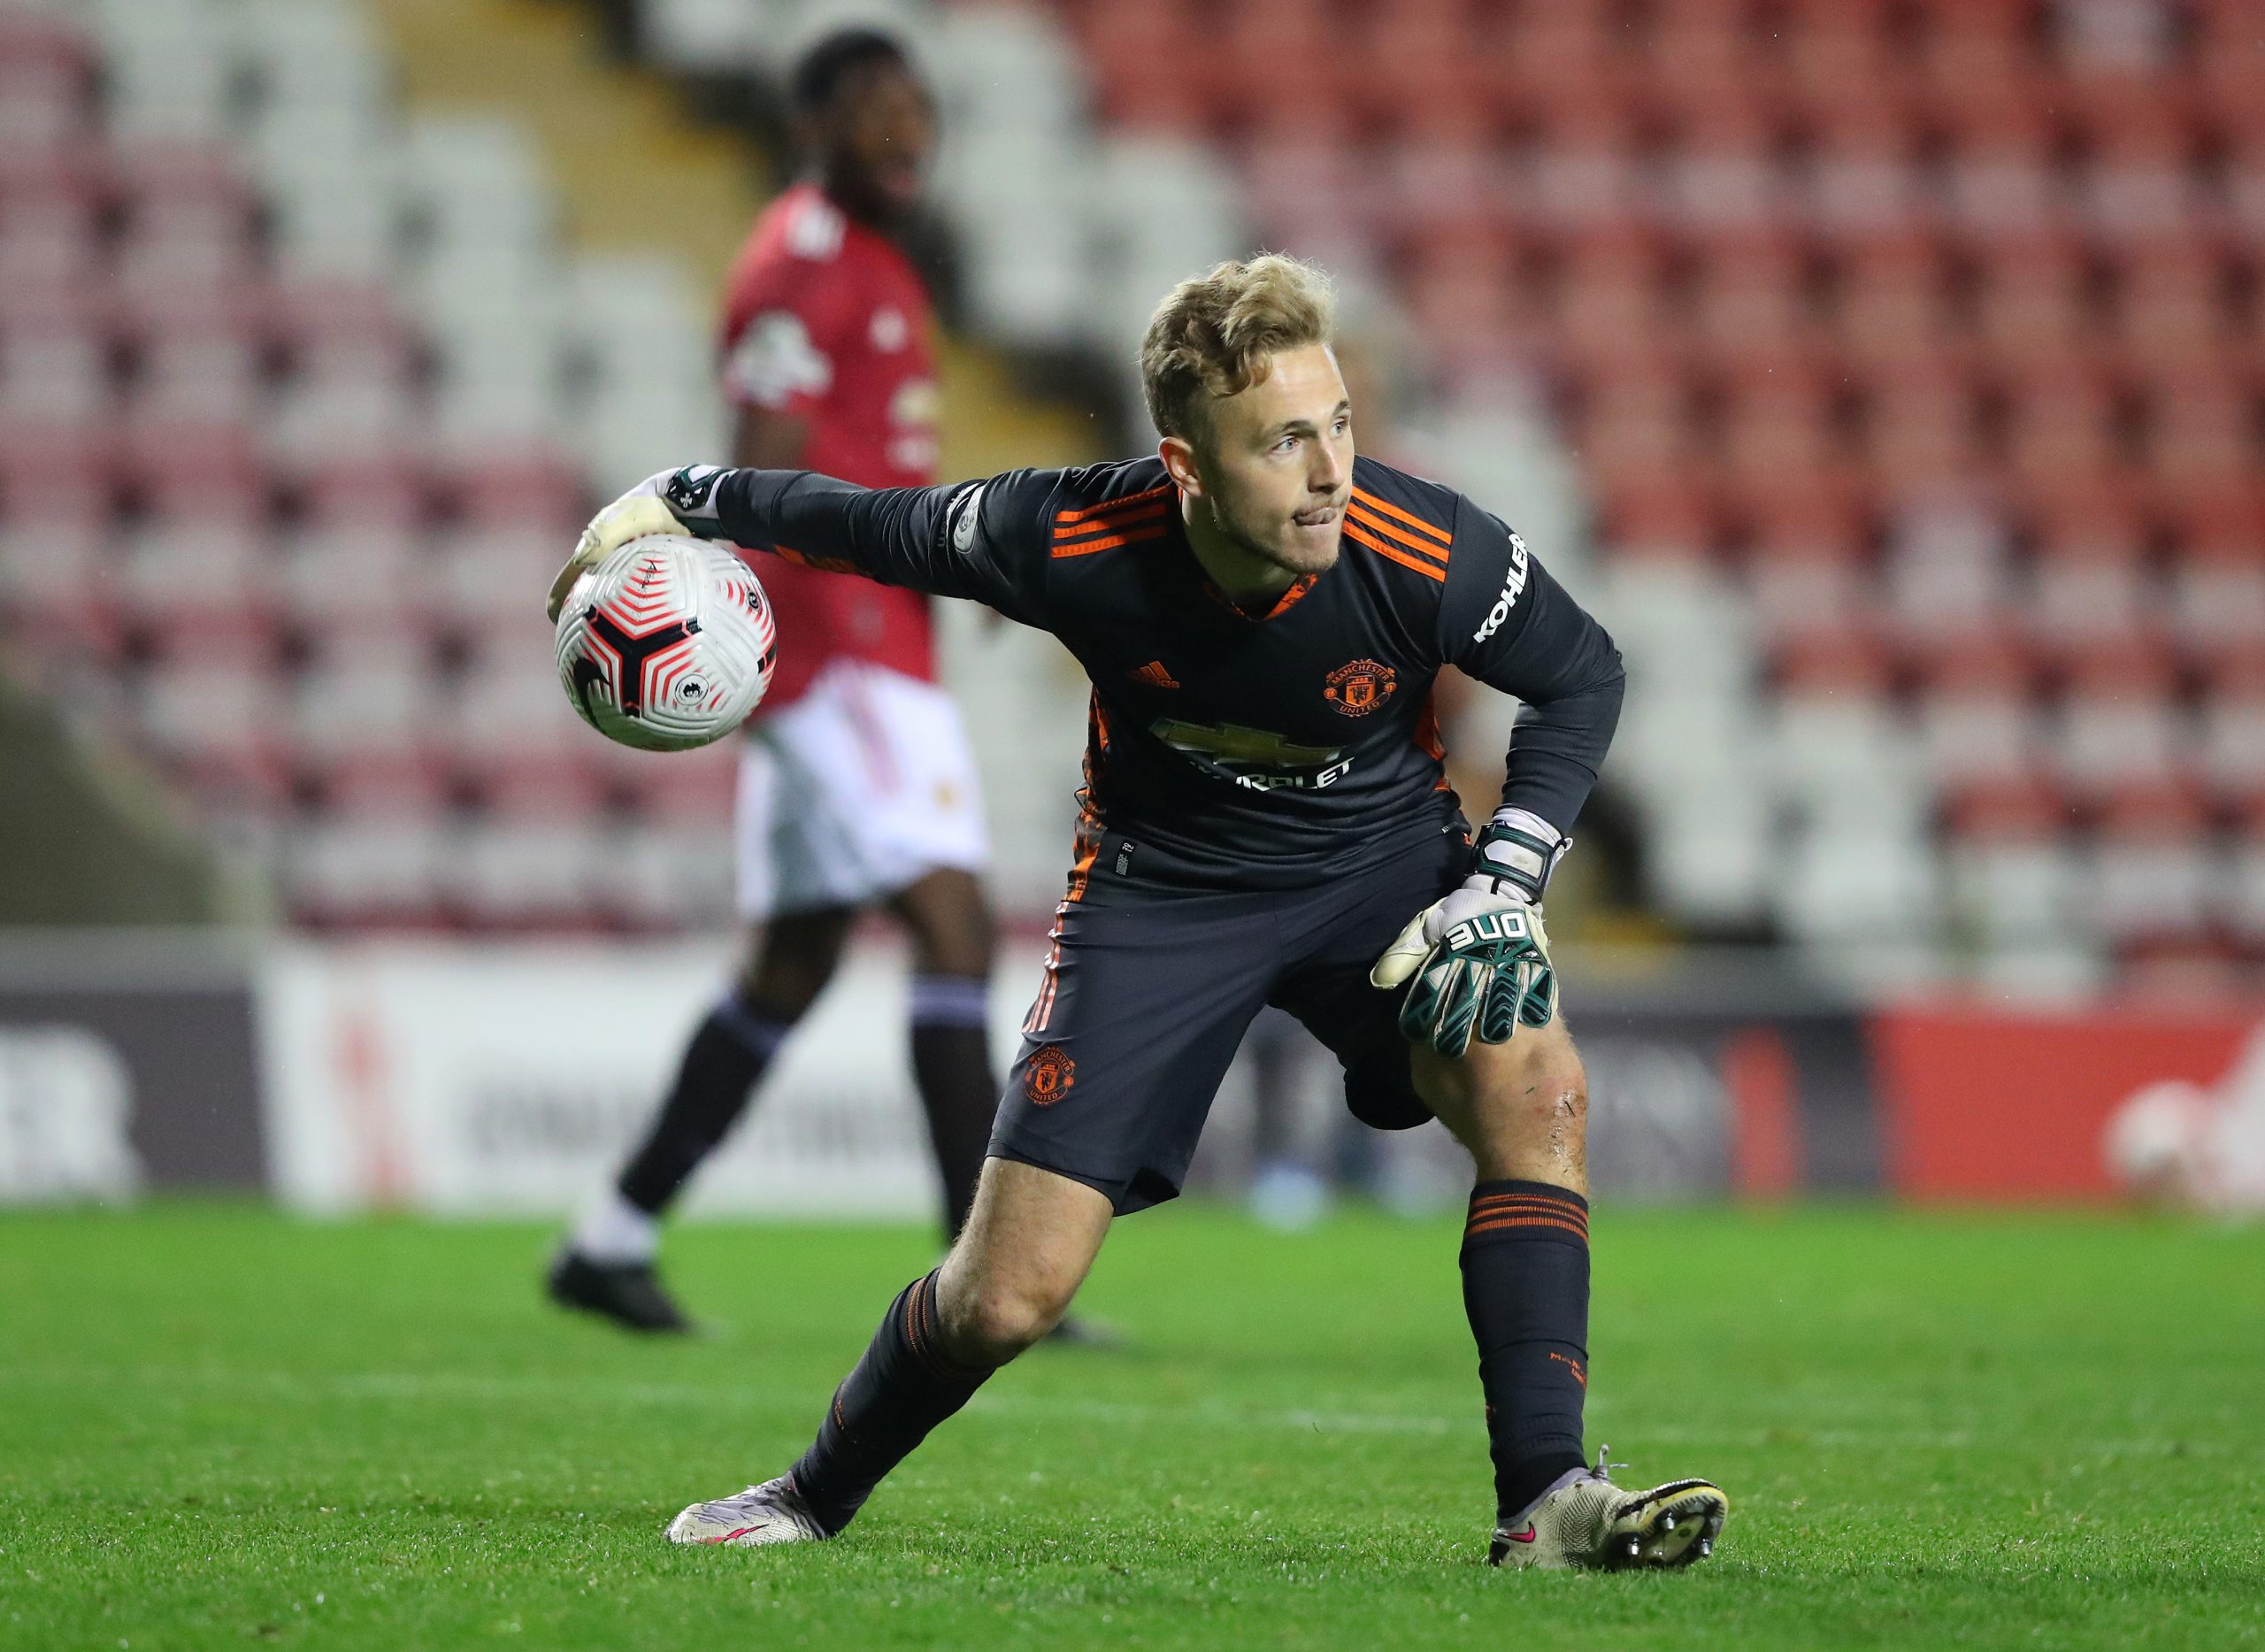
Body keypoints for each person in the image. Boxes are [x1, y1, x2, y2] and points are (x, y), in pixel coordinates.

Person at [548, 254, 1729, 1568]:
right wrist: (681, 498)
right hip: (1163, 891)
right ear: (1186, 467)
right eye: (1285, 441)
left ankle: (1546, 1502)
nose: (1332, 467)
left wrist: (1508, 871)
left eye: (1336, 423)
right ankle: (807, 1495)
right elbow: (868, 522)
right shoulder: (1068, 538)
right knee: (1010, 1295)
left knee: (1538, 1093)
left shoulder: (1426, 544)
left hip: (1379, 870)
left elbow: (1582, 673)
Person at [546, 29, 1013, 1335]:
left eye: (918, 107)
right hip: (830, 652)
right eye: (874, 109)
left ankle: (611, 1235)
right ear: (813, 124)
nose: (905, 130)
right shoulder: (799, 267)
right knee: (953, 925)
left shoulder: (869, 264)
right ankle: (983, 1278)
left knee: (795, 961)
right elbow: (757, 473)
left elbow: (863, 457)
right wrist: (778, 650)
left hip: (874, 639)